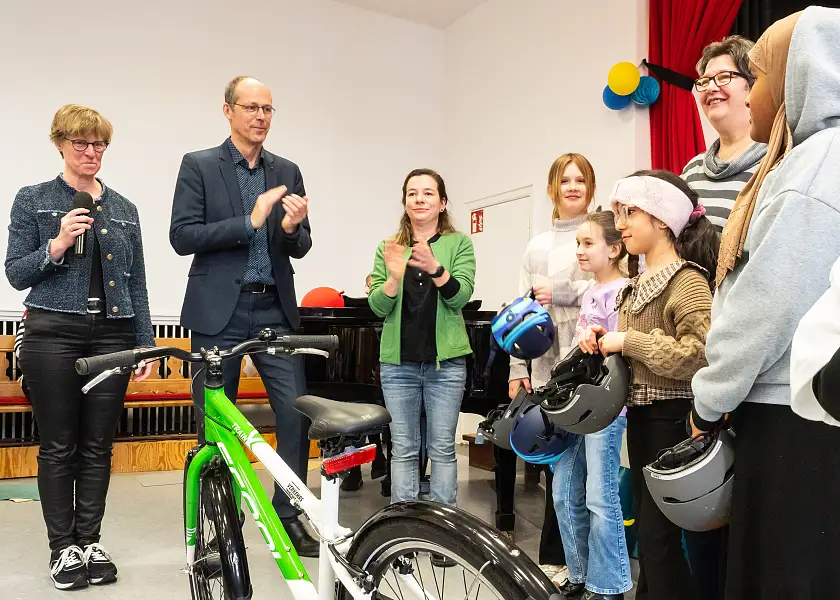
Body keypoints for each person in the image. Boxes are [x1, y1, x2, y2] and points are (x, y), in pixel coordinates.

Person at [690, 8, 840, 599]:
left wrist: (711, 397)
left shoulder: (818, 162)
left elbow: (769, 300)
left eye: (761, 73)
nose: (752, 94)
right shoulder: (814, 157)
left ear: (803, 73)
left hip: (790, 418)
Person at [5, 104, 155, 590]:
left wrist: (145, 345)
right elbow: (16, 272)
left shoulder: (125, 208)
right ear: (59, 145)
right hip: (52, 334)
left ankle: (90, 540)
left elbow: (137, 284)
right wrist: (57, 243)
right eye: (80, 144)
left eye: (99, 145)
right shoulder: (34, 199)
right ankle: (62, 548)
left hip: (112, 334)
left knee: (98, 446)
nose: (91, 153)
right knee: (59, 446)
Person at [168, 76, 318, 556]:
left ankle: (288, 513)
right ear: (227, 111)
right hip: (218, 311)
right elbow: (182, 236)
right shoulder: (199, 165)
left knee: (296, 414)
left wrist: (291, 228)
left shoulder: (287, 170)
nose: (261, 117)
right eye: (251, 107)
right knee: (218, 421)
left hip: (274, 305)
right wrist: (248, 222)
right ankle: (221, 515)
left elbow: (301, 244)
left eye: (268, 109)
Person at [581, 170, 718, 600]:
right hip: (641, 419)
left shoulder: (688, 281)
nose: (619, 223)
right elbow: (635, 354)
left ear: (661, 219)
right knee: (651, 538)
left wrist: (628, 340)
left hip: (674, 421)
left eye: (630, 213)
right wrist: (602, 342)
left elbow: (700, 354)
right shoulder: (633, 288)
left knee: (659, 542)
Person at [509, 153, 596, 581]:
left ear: (591, 188)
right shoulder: (536, 246)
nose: (573, 187)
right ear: (552, 189)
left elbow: (609, 290)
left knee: (586, 478)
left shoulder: (599, 236)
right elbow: (519, 313)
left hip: (590, 372)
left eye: (581, 180)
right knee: (556, 470)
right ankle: (555, 560)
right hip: (545, 371)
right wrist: (515, 369)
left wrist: (559, 291)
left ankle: (588, 566)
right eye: (566, 180)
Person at [367, 168, 475, 508]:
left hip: (447, 365)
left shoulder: (459, 244)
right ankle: (404, 529)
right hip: (398, 366)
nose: (420, 199)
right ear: (405, 202)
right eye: (413, 193)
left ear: (442, 203)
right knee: (403, 449)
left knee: (442, 448)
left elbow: (461, 298)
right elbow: (378, 307)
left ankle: (445, 533)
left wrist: (436, 269)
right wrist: (393, 279)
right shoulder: (389, 247)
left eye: (428, 193)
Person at [553, 211, 631, 600]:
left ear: (615, 249)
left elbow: (620, 351)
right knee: (563, 491)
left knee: (601, 497)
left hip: (606, 409)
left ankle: (609, 585)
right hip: (578, 406)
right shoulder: (589, 291)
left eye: (589, 243)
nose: (580, 251)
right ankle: (580, 573)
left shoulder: (626, 290)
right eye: (578, 243)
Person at [682, 36, 767, 234]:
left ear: (752, 84)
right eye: (704, 81)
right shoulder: (691, 170)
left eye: (723, 77)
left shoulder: (777, 162)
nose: (711, 88)